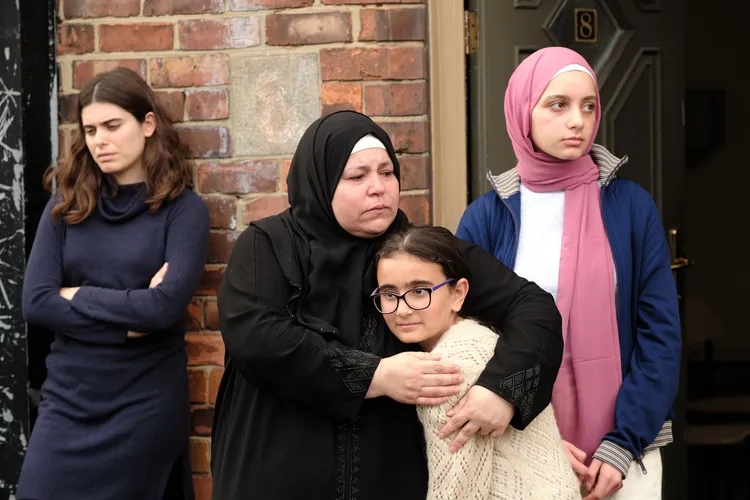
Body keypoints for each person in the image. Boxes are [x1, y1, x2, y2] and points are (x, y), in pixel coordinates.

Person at [210, 110, 564, 500]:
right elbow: (256, 336)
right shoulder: (269, 245)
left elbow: (532, 306)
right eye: (357, 177)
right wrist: (375, 376)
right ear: (321, 181)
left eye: (387, 172)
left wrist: (502, 391)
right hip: (274, 475)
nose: (378, 188)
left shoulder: (414, 250)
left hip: (389, 477)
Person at [456, 47, 681, 499]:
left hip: (625, 458)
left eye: (588, 106)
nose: (578, 120)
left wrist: (622, 444)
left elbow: (660, 334)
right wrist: (534, 436)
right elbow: (467, 339)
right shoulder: (487, 218)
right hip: (522, 449)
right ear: (523, 110)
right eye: (558, 104)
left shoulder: (631, 207)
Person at [19, 67, 209, 499]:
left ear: (147, 124)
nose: (99, 140)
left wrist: (76, 295)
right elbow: (37, 302)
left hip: (143, 403)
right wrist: (128, 320)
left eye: (112, 125)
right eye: (90, 130)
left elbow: (162, 309)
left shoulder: (183, 211)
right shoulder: (67, 205)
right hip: (68, 397)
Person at [373, 225, 581, 500]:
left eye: (420, 291)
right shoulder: (487, 338)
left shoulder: (442, 373)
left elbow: (457, 492)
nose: (402, 309)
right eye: (389, 295)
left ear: (458, 293)